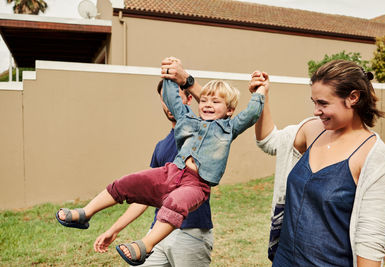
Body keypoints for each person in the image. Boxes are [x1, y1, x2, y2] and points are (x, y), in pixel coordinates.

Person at [56, 75, 265, 265]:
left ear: (229, 110)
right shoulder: (186, 123)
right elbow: (173, 99)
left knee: (176, 202)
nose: (208, 104)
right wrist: (168, 76)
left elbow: (252, 113)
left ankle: (146, 244)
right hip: (171, 173)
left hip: (195, 193)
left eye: (215, 101)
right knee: (128, 182)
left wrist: (260, 92)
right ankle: (86, 213)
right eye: (205, 100)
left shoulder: (229, 129)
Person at [249, 60, 385, 266]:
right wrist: (261, 96)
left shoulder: (372, 154)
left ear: (353, 97)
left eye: (323, 103)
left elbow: (370, 239)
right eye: (314, 102)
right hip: (284, 260)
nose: (316, 110)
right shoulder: (313, 130)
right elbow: (269, 141)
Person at [92, 80, 214, 266]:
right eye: (165, 99)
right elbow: (144, 197)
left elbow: (215, 111)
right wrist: (115, 229)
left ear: (190, 99)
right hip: (157, 234)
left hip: (191, 232)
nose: (169, 104)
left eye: (174, 98)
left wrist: (184, 78)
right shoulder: (161, 147)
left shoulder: (201, 133)